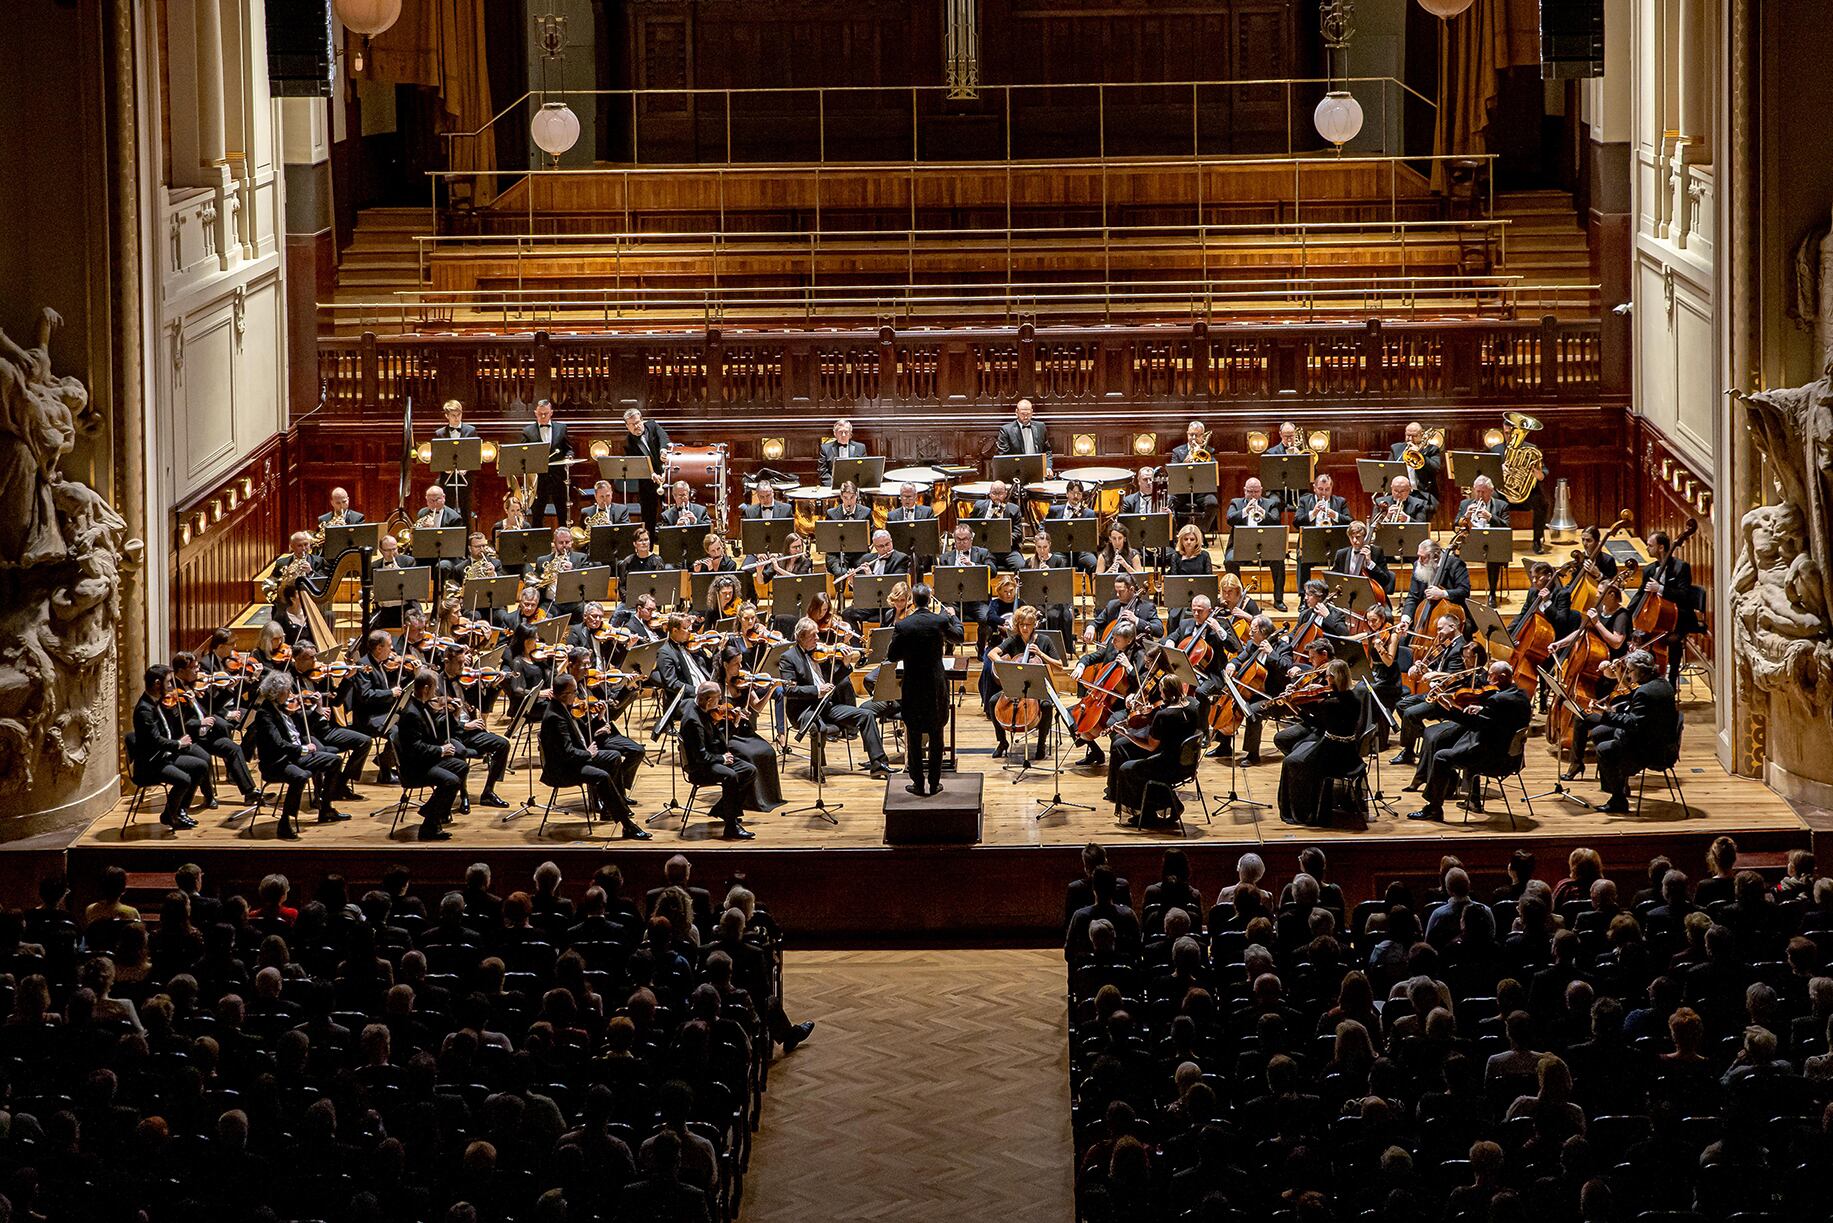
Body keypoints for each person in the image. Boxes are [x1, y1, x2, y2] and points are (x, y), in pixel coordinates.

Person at [1406, 660, 1533, 821]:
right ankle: (1471, 798)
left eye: (1491, 676)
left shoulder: (1498, 701)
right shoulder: (1521, 695)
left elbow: (1474, 724)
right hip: (1513, 756)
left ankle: (1434, 808)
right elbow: (1500, 719)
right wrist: (1482, 710)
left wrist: (1448, 708)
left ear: (1501, 677)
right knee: (1445, 741)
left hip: (1494, 758)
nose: (1488, 680)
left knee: (1441, 756)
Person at [538, 673, 650, 839]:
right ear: (564, 695)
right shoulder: (555, 717)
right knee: (602, 776)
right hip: (563, 769)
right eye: (575, 692)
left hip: (574, 759)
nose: (578, 696)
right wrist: (588, 753)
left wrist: (598, 718)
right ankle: (627, 824)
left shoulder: (564, 707)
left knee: (613, 756)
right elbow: (567, 753)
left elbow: (583, 732)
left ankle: (610, 809)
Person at [779, 619, 894, 779]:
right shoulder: (788, 658)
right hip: (804, 710)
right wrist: (818, 690)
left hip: (826, 706)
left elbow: (834, 681)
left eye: (817, 634)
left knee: (866, 715)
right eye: (813, 636)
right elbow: (789, 690)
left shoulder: (821, 653)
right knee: (819, 729)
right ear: (801, 637)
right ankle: (816, 768)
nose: (818, 639)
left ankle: (878, 764)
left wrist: (846, 665)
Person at [1567, 650, 1681, 813]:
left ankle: (1618, 800)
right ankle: (1616, 785)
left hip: (1653, 749)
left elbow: (1633, 723)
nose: (1627, 674)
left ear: (1641, 671)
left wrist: (1605, 714)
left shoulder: (1646, 691)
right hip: (1657, 737)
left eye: (1629, 670)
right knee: (1600, 733)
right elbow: (1637, 714)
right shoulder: (1663, 683)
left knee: (1604, 749)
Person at [248, 672, 349, 839]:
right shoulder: (265, 714)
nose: (291, 695)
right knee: (300, 777)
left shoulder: (282, 707)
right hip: (276, 762)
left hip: (293, 756)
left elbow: (304, 722)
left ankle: (326, 808)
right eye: (287, 691)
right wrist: (304, 749)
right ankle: (285, 822)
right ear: (277, 693)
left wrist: (317, 708)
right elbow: (278, 744)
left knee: (335, 761)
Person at [885, 583, 964, 795]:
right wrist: (953, 616)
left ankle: (918, 783)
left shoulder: (904, 625)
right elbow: (959, 636)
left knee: (914, 733)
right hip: (936, 683)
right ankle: (935, 782)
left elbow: (892, 656)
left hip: (913, 684)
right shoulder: (940, 620)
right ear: (929, 600)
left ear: (912, 599)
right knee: (937, 733)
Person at [1275, 660, 1363, 828]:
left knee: (1291, 762)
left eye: (1327, 676)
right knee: (1297, 753)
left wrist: (1291, 705)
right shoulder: (1354, 698)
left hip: (1332, 752)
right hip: (1350, 749)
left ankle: (1301, 811)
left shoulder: (1331, 704)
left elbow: (1316, 723)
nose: (1326, 679)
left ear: (1333, 678)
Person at [170, 651, 261, 806]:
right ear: (180, 671)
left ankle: (250, 792)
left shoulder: (196, 684)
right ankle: (208, 796)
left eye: (197, 667)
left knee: (232, 747)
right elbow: (176, 722)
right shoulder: (173, 692)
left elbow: (213, 706)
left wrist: (228, 689)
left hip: (205, 735)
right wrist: (200, 723)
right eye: (193, 668)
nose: (198, 672)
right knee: (203, 757)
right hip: (188, 738)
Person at [1109, 675, 1201, 827]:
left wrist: (1126, 733)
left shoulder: (1163, 716)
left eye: (1160, 691)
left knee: (1126, 769)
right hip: (1186, 761)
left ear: (1165, 692)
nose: (1160, 694)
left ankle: (1148, 815)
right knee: (1128, 753)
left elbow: (1150, 746)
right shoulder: (1192, 705)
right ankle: (1165, 803)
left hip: (1168, 764)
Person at [129, 665, 210, 829]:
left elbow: (171, 727)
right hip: (151, 763)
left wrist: (188, 706)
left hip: (165, 756)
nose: (172, 686)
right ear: (158, 683)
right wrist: (179, 744)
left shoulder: (158, 702)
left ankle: (178, 811)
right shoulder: (145, 710)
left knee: (201, 765)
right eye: (169, 682)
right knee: (184, 779)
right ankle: (171, 815)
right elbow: (155, 741)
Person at [394, 669, 469, 841]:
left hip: (424, 761)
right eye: (434, 688)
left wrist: (454, 716)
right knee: (451, 781)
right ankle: (429, 825)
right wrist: (441, 750)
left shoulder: (421, 705)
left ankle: (435, 814)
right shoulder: (411, 713)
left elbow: (431, 730)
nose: (436, 693)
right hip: (415, 767)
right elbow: (415, 748)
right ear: (426, 688)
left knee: (461, 766)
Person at [679, 682, 757, 839]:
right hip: (700, 767)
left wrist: (734, 724)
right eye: (718, 699)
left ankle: (724, 809)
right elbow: (701, 757)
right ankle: (731, 826)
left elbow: (716, 739)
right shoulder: (693, 721)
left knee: (749, 770)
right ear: (708, 701)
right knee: (730, 776)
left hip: (712, 757)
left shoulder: (702, 709)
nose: (720, 703)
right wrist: (722, 758)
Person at [714, 645, 785, 812]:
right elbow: (713, 716)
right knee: (750, 755)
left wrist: (771, 689)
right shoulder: (717, 687)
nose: (741, 667)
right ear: (725, 665)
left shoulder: (744, 682)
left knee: (768, 751)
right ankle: (750, 800)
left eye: (741, 663)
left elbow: (757, 707)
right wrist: (733, 715)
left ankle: (770, 798)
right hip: (727, 734)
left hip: (745, 732)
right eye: (737, 664)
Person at [1628, 529, 1699, 685]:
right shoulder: (1649, 570)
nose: (1647, 548)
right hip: (1656, 620)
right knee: (1642, 638)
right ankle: (1645, 681)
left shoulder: (1681, 567)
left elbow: (1684, 595)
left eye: (1650, 545)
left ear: (1661, 547)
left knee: (1673, 641)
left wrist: (1660, 589)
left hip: (1678, 618)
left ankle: (1672, 682)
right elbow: (1640, 594)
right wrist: (1627, 615)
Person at [1225, 476, 1287, 609]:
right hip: (1241, 548)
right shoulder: (1236, 503)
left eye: (1256, 492)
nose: (1253, 495)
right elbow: (1229, 519)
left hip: (1265, 549)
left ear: (1261, 491)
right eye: (1250, 491)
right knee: (1229, 560)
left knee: (1278, 560)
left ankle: (1278, 599)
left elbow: (1276, 521)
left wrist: (1262, 512)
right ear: (1244, 490)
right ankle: (1240, 596)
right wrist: (1245, 511)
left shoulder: (1271, 504)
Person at [1455, 475, 1513, 604]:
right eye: (1478, 491)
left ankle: (1492, 593)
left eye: (1483, 492)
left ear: (1491, 491)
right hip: (1470, 542)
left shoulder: (1501, 505)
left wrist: (1491, 517)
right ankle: (1460, 591)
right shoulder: (1465, 504)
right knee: (1453, 556)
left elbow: (1507, 527)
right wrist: (1466, 516)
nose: (1480, 495)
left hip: (1491, 543)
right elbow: (1455, 525)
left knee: (1493, 555)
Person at [1398, 537, 1471, 629]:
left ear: (1436, 556)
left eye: (1423, 557)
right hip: (1424, 615)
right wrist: (1405, 620)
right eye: (1418, 556)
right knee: (1403, 640)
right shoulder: (1418, 565)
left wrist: (1442, 593)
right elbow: (1413, 597)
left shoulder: (1456, 564)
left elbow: (1464, 590)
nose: (1419, 561)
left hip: (1451, 616)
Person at [1168, 420, 1220, 531]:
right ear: (1187, 434)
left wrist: (1200, 452)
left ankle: (1200, 532)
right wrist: (1186, 461)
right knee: (1168, 501)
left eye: (1196, 435)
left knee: (1212, 503)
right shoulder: (1177, 452)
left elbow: (1213, 472)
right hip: (1182, 491)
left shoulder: (1209, 452)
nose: (1193, 438)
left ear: (1202, 436)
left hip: (1202, 491)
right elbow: (1173, 475)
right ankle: (1175, 532)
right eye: (1191, 434)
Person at [432, 399, 479, 521]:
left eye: (459, 415)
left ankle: (466, 539)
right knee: (447, 509)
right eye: (453, 416)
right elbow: (437, 457)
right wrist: (445, 467)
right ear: (446, 416)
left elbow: (474, 454)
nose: (457, 418)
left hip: (466, 477)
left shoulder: (471, 431)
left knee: (466, 510)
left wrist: (466, 467)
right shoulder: (439, 433)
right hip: (447, 478)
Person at [969, 482, 1026, 572]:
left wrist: (1002, 538)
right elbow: (970, 527)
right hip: (985, 551)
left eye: (1000, 493)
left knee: (1021, 567)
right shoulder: (979, 506)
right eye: (994, 493)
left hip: (1008, 551)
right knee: (980, 568)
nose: (997, 496)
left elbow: (1018, 533)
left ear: (1006, 494)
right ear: (989, 493)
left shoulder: (1014, 509)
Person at [1046, 481, 1099, 572]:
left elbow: (1092, 536)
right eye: (1072, 493)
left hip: (1082, 551)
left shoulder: (1089, 513)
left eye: (1079, 493)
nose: (1075, 496)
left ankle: (1091, 586)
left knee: (1093, 562)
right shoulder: (1054, 510)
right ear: (1067, 494)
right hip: (1060, 550)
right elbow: (1044, 526)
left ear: (1082, 495)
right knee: (1056, 562)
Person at [1331, 520, 1395, 595]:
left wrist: (1370, 562)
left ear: (1365, 537)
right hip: (1347, 594)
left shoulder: (1376, 552)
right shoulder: (1341, 554)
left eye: (1358, 537)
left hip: (1371, 594)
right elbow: (1333, 577)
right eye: (1352, 537)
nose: (1354, 541)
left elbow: (1385, 580)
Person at [1389, 421, 1443, 510]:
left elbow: (1435, 468)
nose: (1410, 439)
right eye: (1407, 435)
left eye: (1414, 436)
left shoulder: (1432, 449)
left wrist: (1420, 454)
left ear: (1421, 435)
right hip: (1401, 493)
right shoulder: (1396, 448)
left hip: (1422, 494)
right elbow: (1390, 469)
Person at [995, 397, 1051, 468]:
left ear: (1032, 412)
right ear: (1016, 412)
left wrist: (1048, 467)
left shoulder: (1041, 427)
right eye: (1023, 414)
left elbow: (1047, 451)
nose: (1026, 417)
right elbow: (1004, 456)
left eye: (1028, 414)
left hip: (1037, 468)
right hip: (1017, 470)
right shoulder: (1006, 430)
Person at [817, 417, 866, 487]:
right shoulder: (825, 448)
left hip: (854, 487)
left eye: (846, 432)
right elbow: (823, 472)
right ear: (835, 433)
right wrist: (834, 486)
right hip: (832, 487)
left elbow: (864, 470)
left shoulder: (860, 448)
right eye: (840, 432)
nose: (843, 435)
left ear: (850, 434)